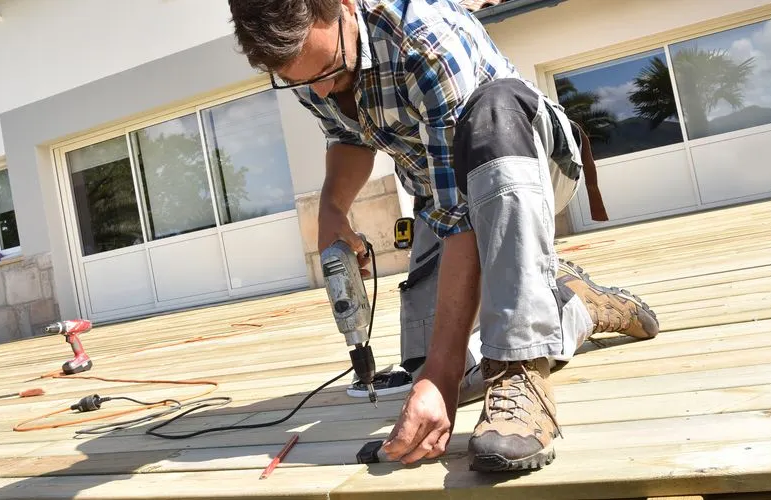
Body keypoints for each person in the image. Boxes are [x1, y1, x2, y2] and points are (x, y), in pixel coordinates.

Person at [226, 0, 660, 472]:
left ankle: (521, 372)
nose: (323, 88)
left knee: (493, 107)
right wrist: (332, 208)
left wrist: (443, 375)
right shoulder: (305, 58)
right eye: (303, 81)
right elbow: (349, 136)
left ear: (345, 6)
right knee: (426, 367)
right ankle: (574, 306)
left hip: (525, 160)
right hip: (442, 198)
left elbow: (465, 215)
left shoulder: (423, 37)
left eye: (330, 69)